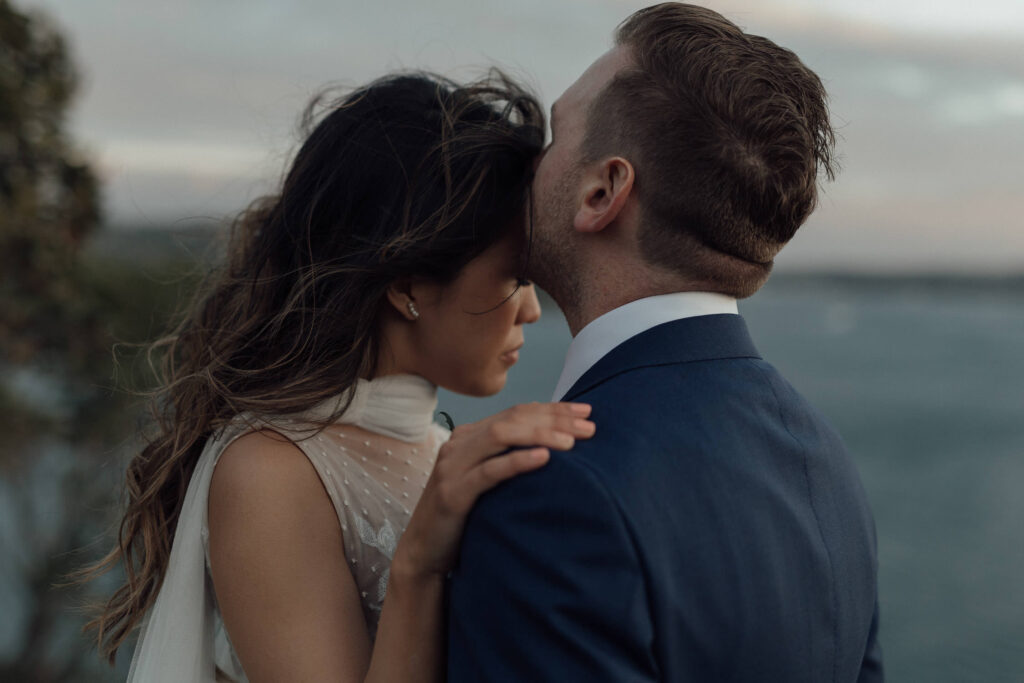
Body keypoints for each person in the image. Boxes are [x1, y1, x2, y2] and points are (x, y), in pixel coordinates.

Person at [83, 71, 598, 682]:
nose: (533, 309)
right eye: (515, 277)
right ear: (407, 287)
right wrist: (417, 568)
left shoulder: (439, 452)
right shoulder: (270, 471)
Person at [447, 3, 883, 682]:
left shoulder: (555, 497)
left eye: (558, 132)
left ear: (603, 190)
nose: (531, 163)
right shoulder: (826, 464)